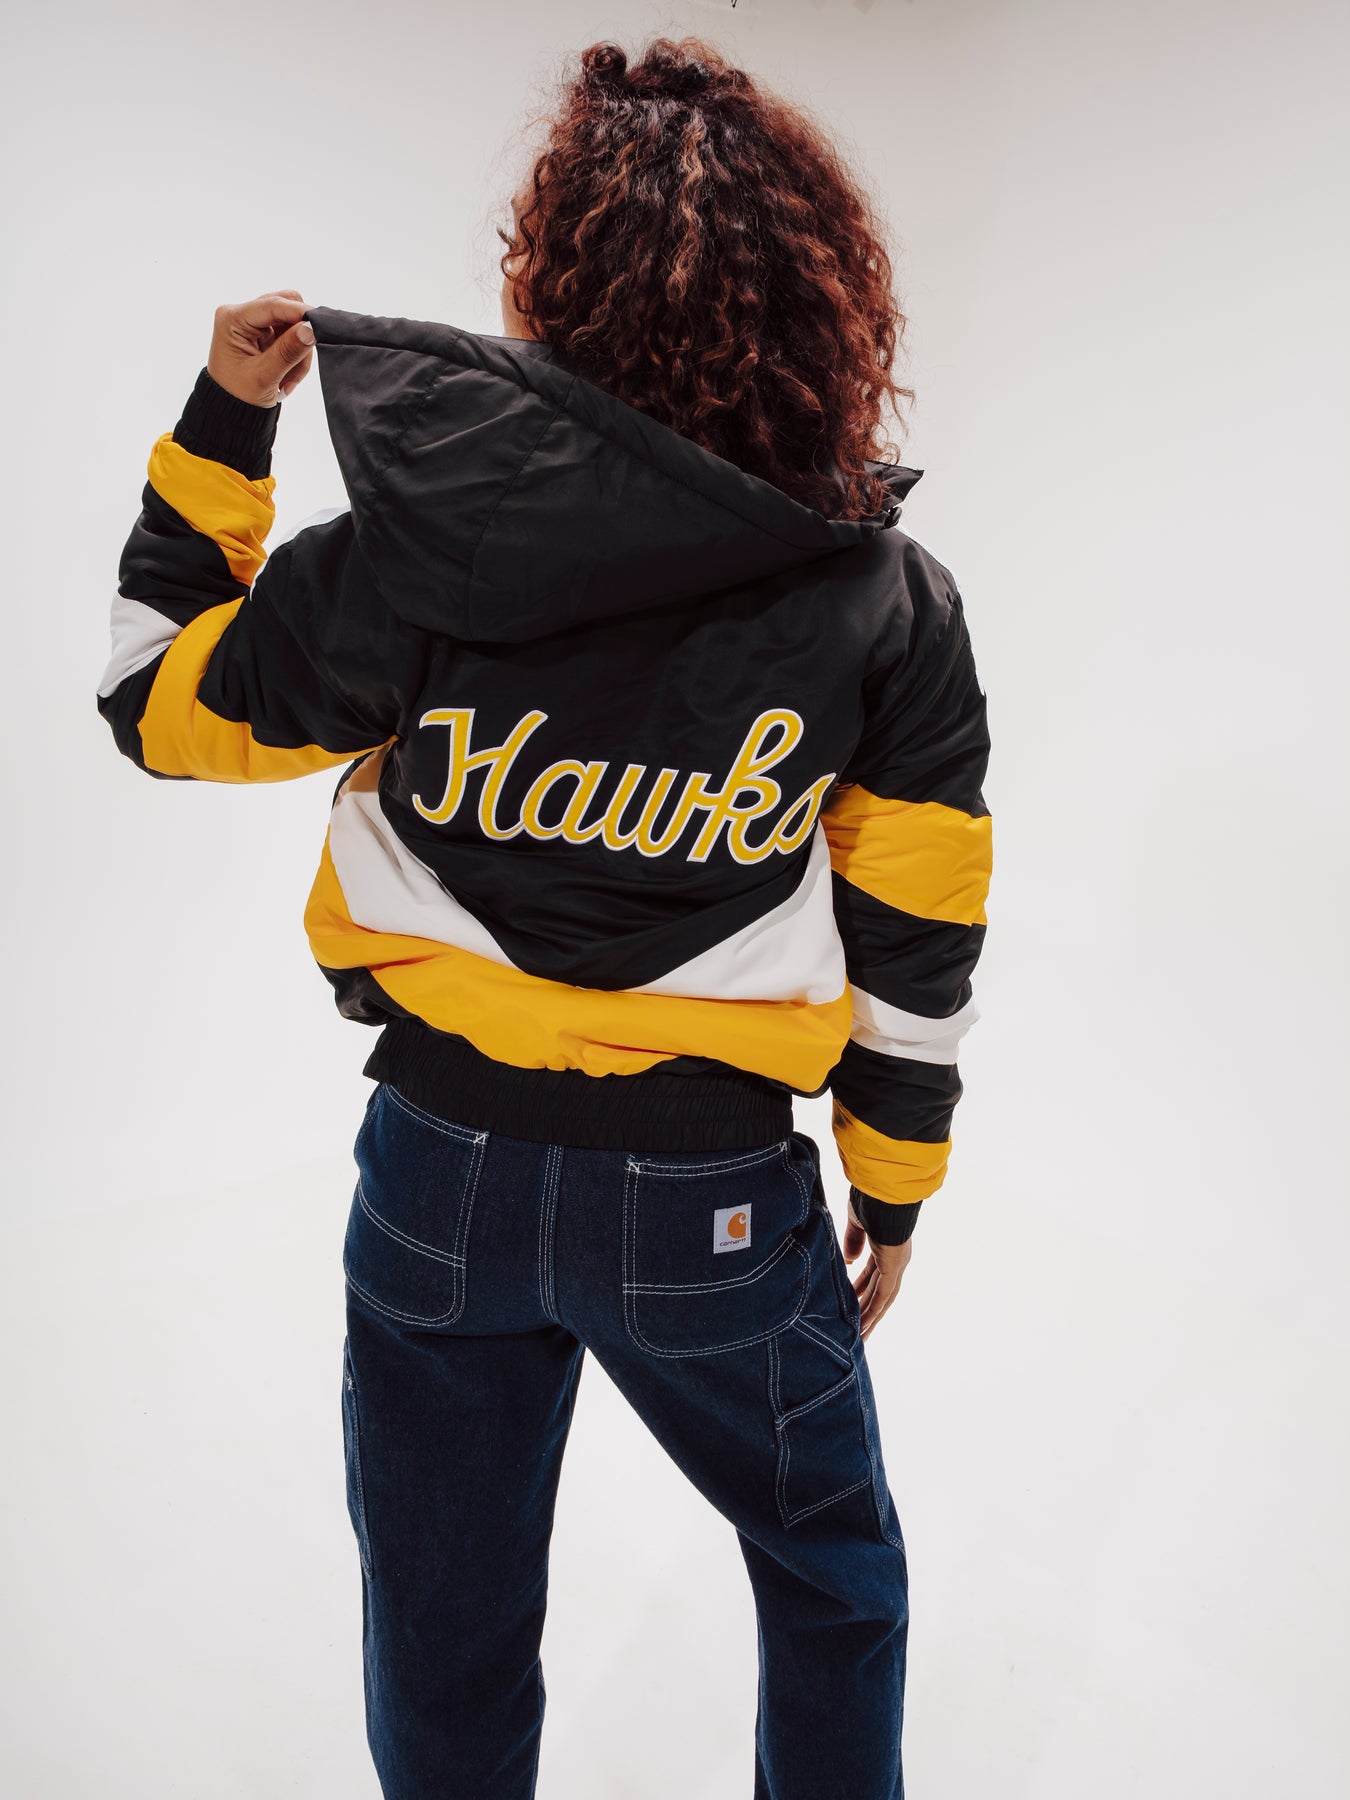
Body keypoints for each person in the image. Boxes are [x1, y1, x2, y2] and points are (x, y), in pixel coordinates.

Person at [96, 33, 992, 1800]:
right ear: (819, 302)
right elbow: (919, 938)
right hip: (707, 1202)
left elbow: (155, 704)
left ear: (552, 278)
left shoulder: (419, 551)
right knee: (834, 1578)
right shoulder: (885, 602)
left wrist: (224, 425)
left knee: (443, 1621)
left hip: (437, 1176)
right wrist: (891, 1184)